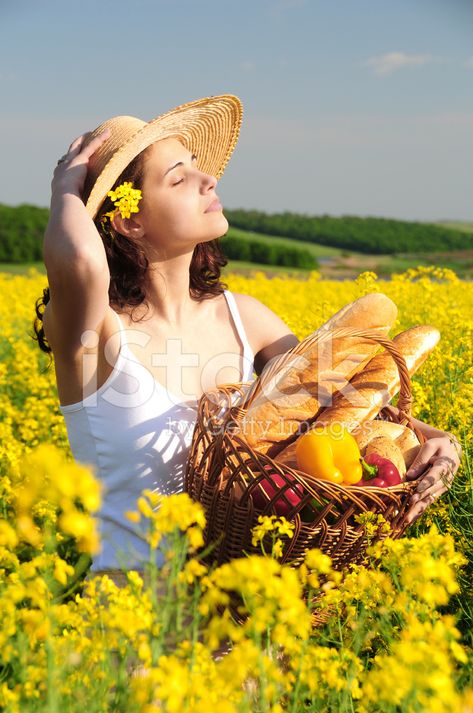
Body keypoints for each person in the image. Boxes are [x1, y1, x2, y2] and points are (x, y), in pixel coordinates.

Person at [33, 94, 461, 580]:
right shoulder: (94, 337)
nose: (207, 179)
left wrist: (436, 441)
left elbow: (341, 404)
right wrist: (67, 188)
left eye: (197, 166)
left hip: (247, 627)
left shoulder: (246, 319)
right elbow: (83, 263)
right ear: (130, 221)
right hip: (136, 632)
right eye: (178, 177)